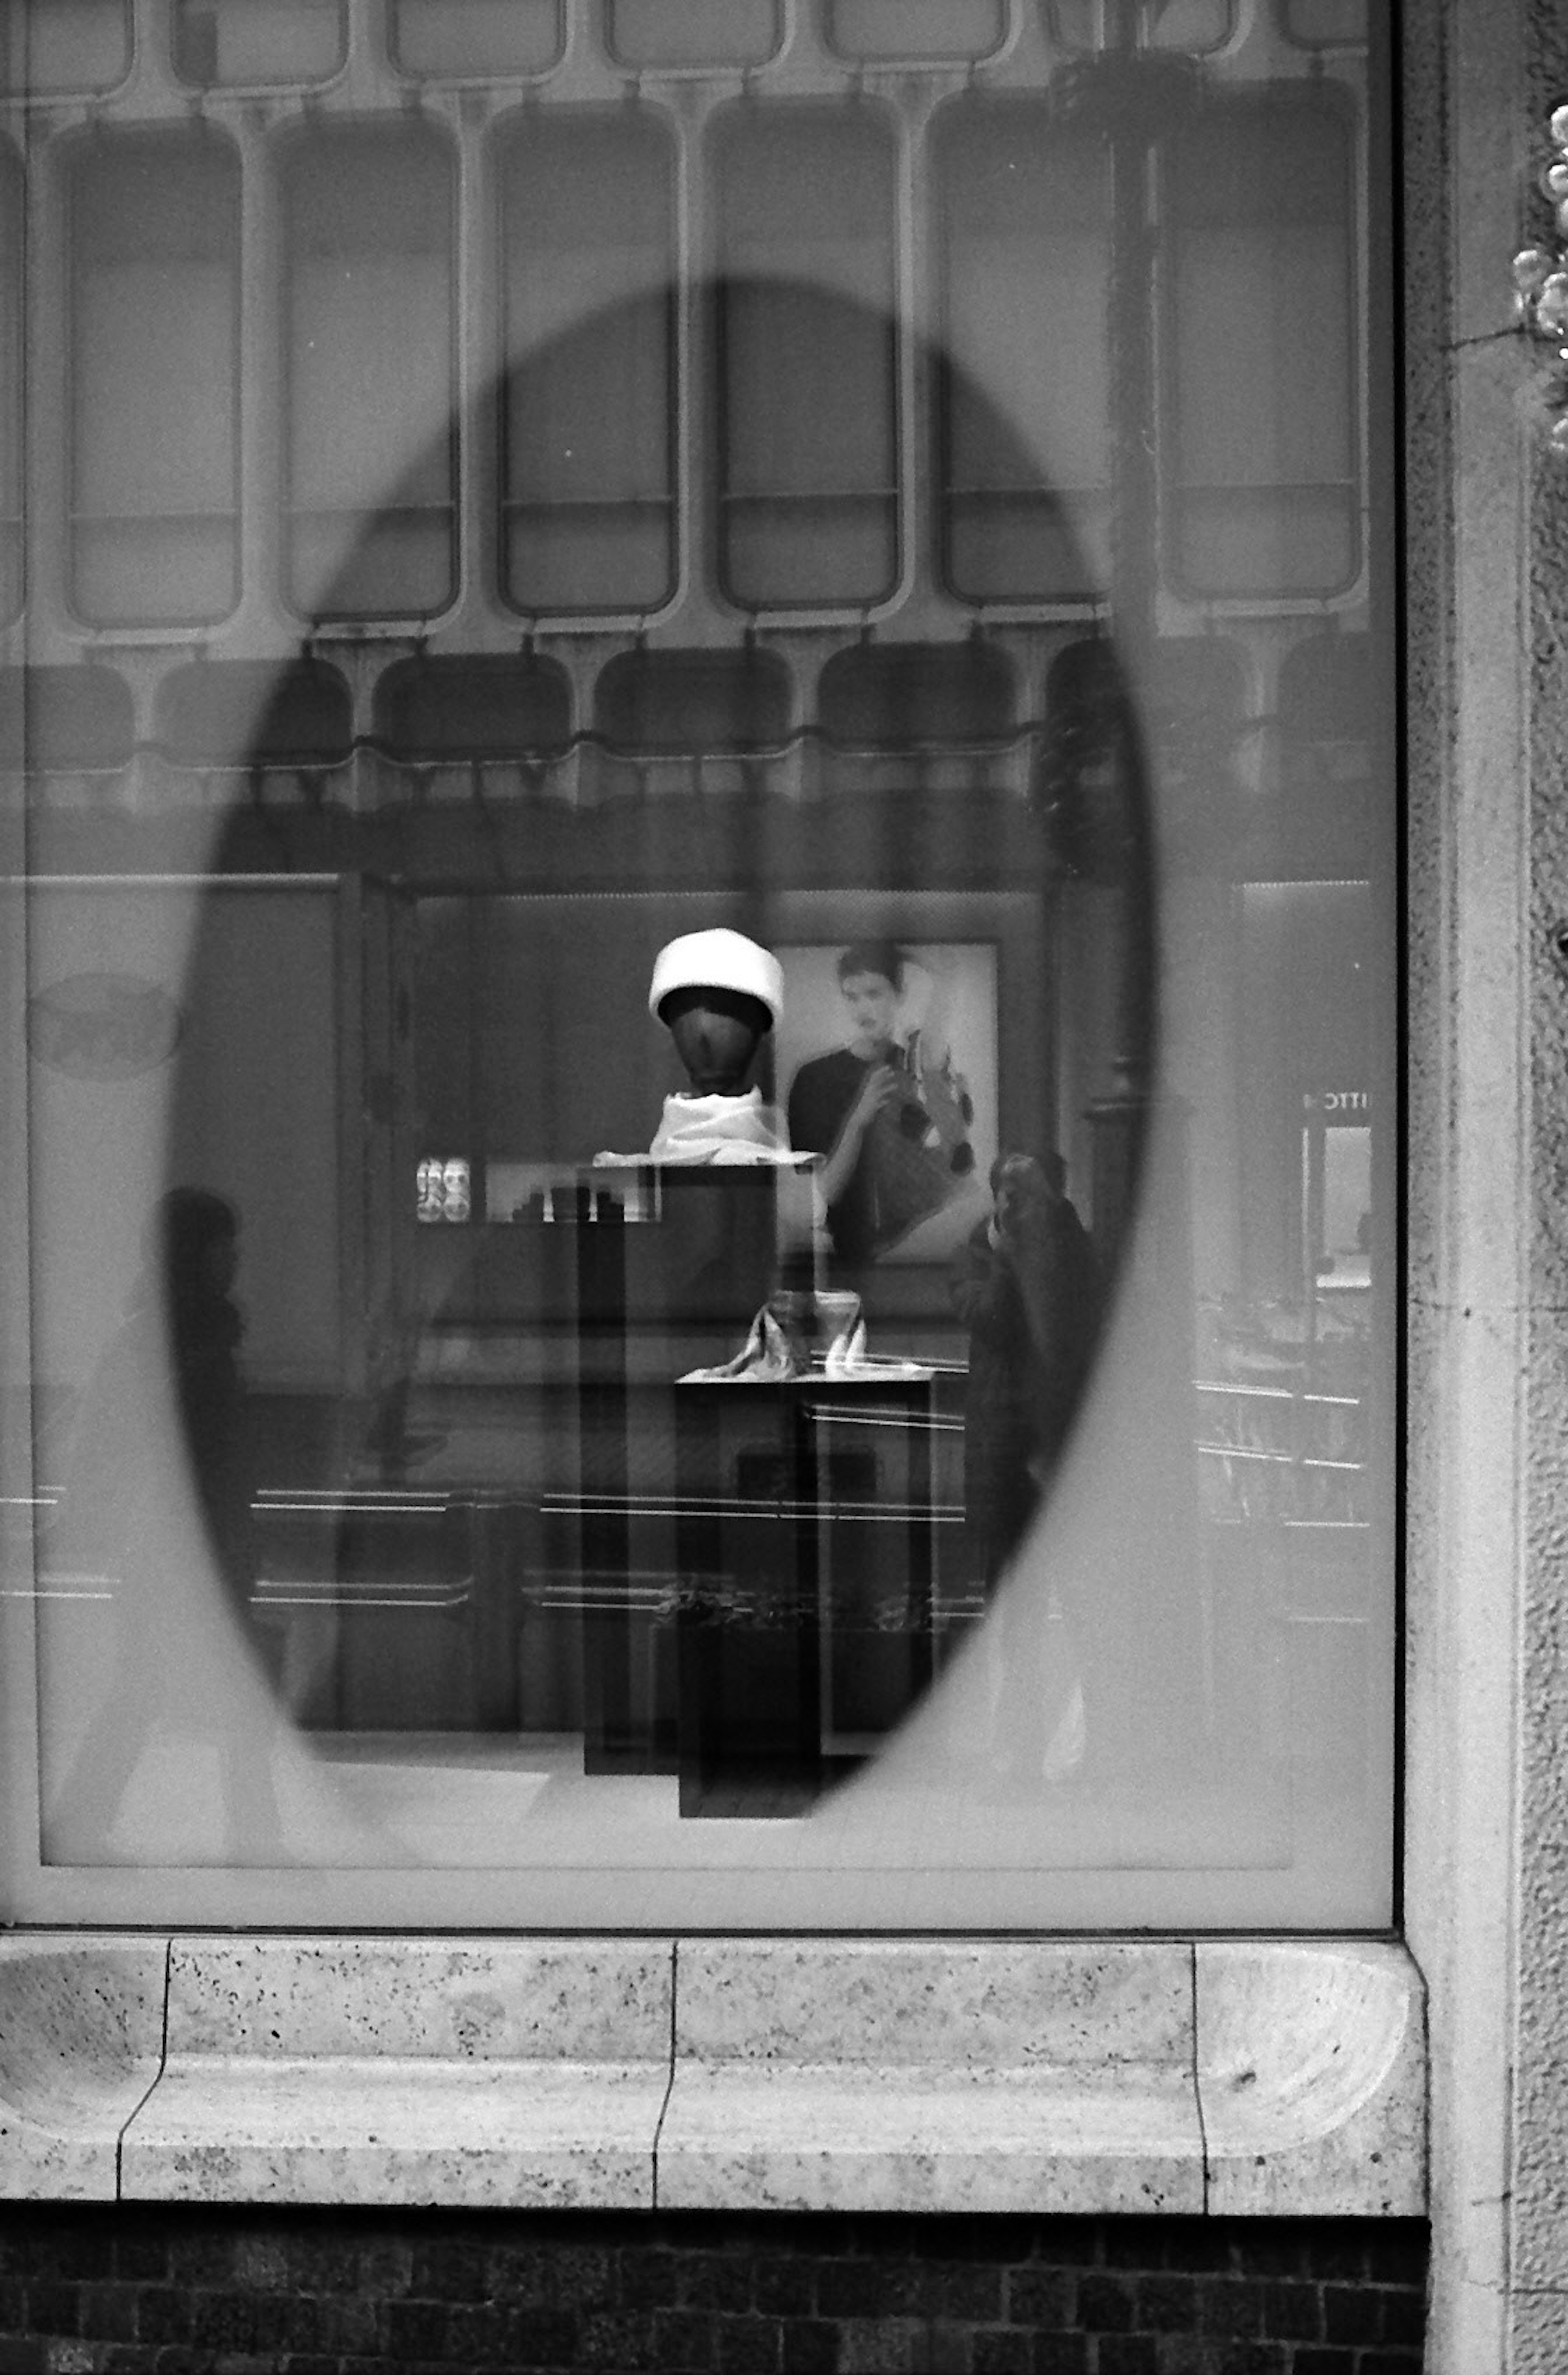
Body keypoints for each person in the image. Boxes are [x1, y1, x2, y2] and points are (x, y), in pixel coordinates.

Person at [44, 1188, 287, 1862]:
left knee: (159, 1691)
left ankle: (86, 1823)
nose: (232, 1258)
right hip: (176, 1551)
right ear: (191, 1254)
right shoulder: (166, 1345)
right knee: (200, 1693)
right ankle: (249, 1840)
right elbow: (123, 1450)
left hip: (201, 1546)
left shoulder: (184, 1337)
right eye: (220, 1245)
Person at [786, 939, 978, 1271]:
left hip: (922, 1246)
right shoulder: (815, 1078)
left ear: (899, 995)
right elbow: (822, 1196)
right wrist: (859, 1119)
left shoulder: (914, 1066)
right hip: (848, 1257)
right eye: (852, 996)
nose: (863, 1009)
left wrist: (903, 952)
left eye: (875, 994)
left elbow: (945, 984)